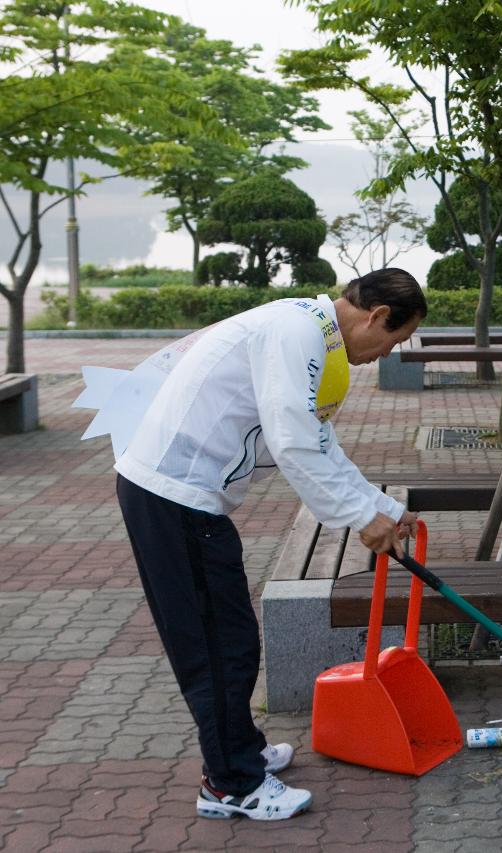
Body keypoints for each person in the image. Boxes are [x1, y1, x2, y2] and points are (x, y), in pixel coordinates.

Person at [113, 268, 426, 819]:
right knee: (219, 646)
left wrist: (384, 510)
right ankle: (231, 783)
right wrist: (358, 517)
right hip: (173, 497)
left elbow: (320, 442)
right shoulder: (297, 333)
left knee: (226, 636)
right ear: (377, 316)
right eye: (393, 341)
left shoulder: (309, 330)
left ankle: (241, 749)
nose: (383, 355)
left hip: (185, 498)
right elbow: (292, 442)